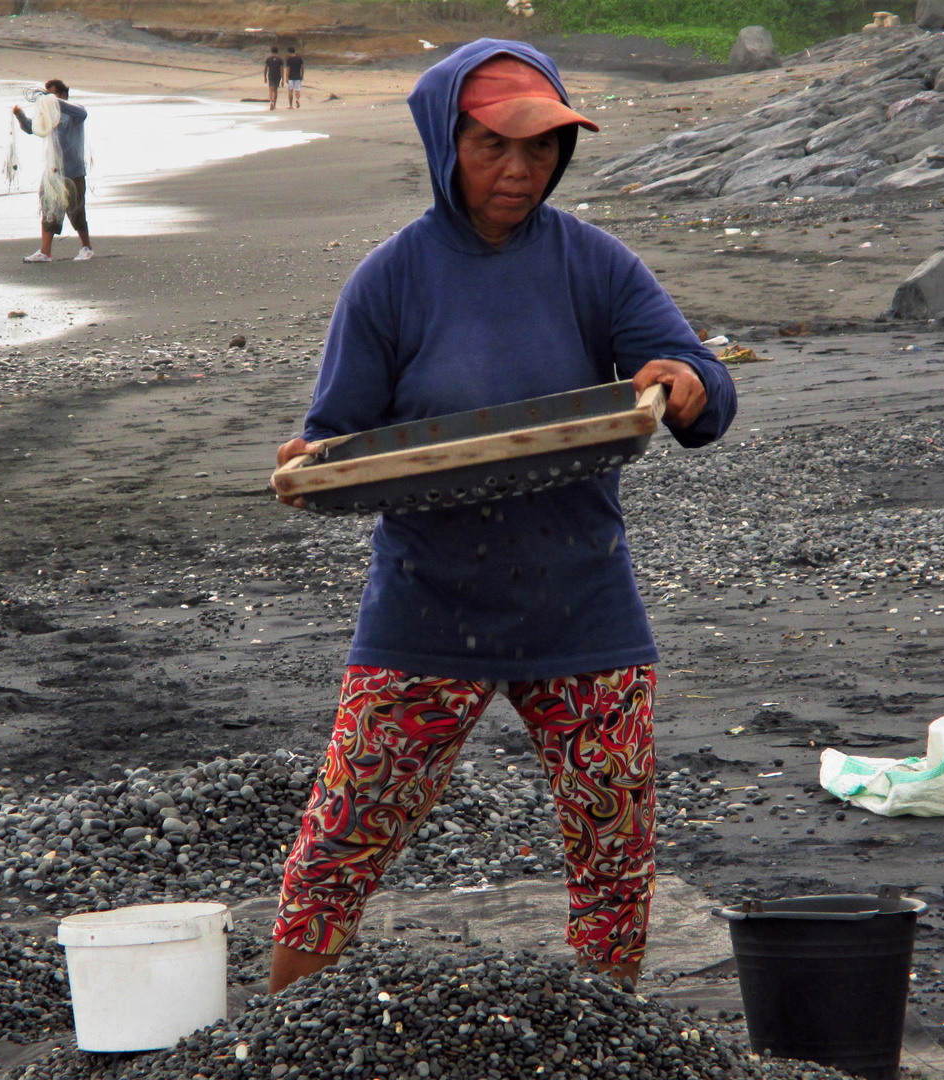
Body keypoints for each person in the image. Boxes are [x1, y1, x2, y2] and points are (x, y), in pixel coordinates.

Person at [267, 39, 737, 995]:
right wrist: (310, 464)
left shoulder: (595, 264)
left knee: (614, 852)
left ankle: (603, 1032)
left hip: (582, 603)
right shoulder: (390, 280)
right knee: (342, 837)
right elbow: (337, 438)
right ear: (446, 142)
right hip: (425, 606)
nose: (519, 171)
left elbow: (702, 380)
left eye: (541, 149)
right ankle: (277, 1033)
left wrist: (686, 385)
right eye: (491, 146)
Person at [12, 79, 93, 263]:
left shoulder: (74, 113)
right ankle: (45, 251)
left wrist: (56, 103)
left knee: (76, 210)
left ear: (63, 95)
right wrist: (19, 115)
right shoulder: (47, 114)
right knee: (49, 209)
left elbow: (82, 112)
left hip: (73, 170)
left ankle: (86, 247)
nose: (48, 99)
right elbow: (33, 128)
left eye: (53, 95)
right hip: (52, 171)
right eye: (46, 95)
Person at [264, 46, 283, 110]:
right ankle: (274, 104)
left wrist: (265, 77)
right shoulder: (280, 59)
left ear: (271, 52)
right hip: (278, 76)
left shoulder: (268, 59)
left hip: (271, 75)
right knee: (275, 90)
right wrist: (283, 79)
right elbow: (281, 70)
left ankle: (271, 102)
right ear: (277, 52)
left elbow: (266, 68)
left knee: (271, 90)